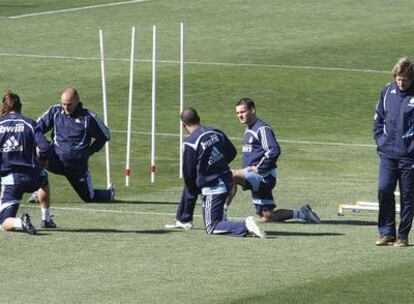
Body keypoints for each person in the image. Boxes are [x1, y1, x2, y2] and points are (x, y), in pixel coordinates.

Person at [165, 107, 265, 238]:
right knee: (192, 187)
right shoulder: (215, 132)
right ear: (199, 119)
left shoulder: (190, 143)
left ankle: (245, 226)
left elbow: (189, 175)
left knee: (212, 226)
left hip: (214, 186)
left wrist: (205, 173)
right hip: (228, 180)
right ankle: (184, 219)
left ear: (184, 125)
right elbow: (232, 152)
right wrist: (218, 164)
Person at [230, 98, 321, 224]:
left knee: (229, 175)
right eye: (238, 113)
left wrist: (259, 169)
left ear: (252, 110)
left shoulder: (262, 129)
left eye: (243, 112)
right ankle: (302, 213)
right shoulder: (249, 129)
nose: (240, 115)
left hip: (262, 177)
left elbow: (274, 150)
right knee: (268, 217)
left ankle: (221, 215)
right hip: (255, 177)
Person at [29, 88, 115, 203]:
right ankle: (38, 190)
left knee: (90, 198)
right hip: (55, 159)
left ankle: (110, 193)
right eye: (63, 104)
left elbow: (105, 135)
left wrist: (90, 151)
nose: (65, 107)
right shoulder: (55, 112)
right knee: (36, 150)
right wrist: (43, 144)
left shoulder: (88, 117)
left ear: (76, 102)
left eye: (68, 104)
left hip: (76, 166)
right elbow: (35, 129)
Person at [0, 91, 55, 235]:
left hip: (11, 181)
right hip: (33, 176)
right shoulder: (29, 123)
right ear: (20, 106)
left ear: (4, 106)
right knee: (44, 179)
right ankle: (46, 219)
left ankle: (20, 222)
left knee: (4, 222)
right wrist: (42, 161)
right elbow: (44, 147)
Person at [373, 57, 414, 248]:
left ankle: (403, 235)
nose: (401, 82)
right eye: (398, 78)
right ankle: (386, 232)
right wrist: (381, 142)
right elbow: (378, 119)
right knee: (384, 190)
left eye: (404, 79)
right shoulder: (387, 91)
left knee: (408, 196)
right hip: (388, 154)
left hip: (409, 157)